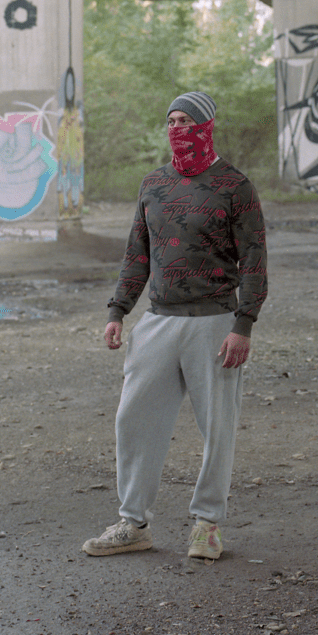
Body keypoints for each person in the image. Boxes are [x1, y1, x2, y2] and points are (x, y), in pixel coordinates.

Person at [83, 91, 267, 561]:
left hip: (215, 323)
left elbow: (254, 262)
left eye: (187, 120)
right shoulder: (154, 185)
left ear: (206, 126)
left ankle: (207, 524)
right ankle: (133, 522)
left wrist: (243, 325)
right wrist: (118, 311)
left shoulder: (234, 186)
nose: (177, 129)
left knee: (217, 428)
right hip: (158, 322)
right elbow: (136, 255)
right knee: (134, 419)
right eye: (171, 120)